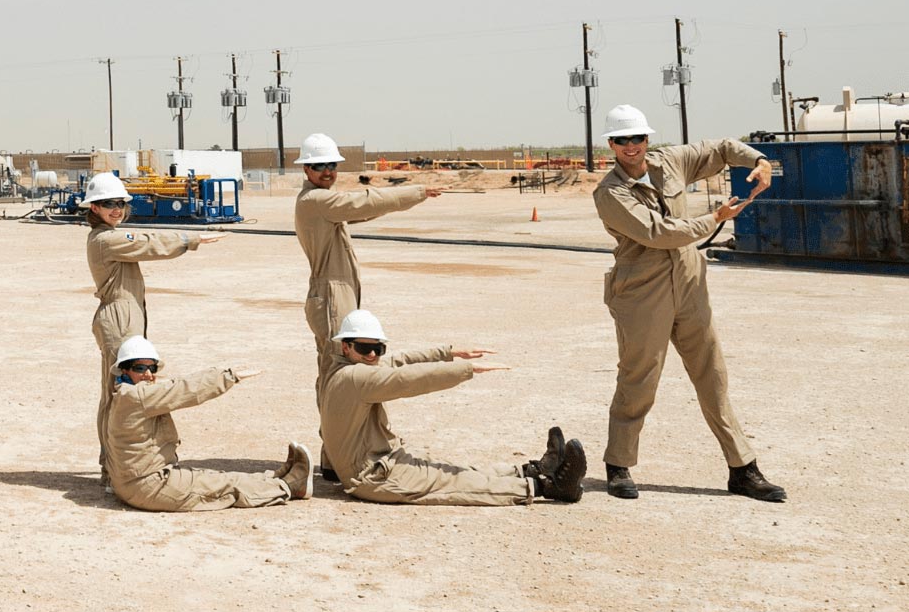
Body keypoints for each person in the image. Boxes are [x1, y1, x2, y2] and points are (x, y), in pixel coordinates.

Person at [591, 104, 785, 502]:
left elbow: (723, 148)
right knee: (639, 377)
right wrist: (715, 218)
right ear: (610, 144)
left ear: (649, 139)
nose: (632, 147)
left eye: (638, 138)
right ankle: (619, 465)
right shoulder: (609, 192)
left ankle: (743, 469)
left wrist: (761, 160)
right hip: (642, 291)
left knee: (712, 375)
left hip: (690, 283)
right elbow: (658, 233)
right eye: (622, 140)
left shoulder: (672, 162)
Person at [292, 132, 441, 480]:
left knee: (340, 371)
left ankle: (337, 451)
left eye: (331, 165)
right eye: (318, 166)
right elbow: (363, 203)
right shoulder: (315, 200)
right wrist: (415, 193)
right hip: (331, 294)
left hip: (335, 291)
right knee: (340, 372)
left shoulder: (322, 200)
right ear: (306, 170)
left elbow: (361, 211)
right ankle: (338, 453)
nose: (327, 171)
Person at [319, 310, 585, 506]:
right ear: (346, 346)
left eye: (378, 348)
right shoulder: (355, 378)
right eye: (366, 348)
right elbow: (407, 379)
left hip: (383, 461)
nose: (373, 355)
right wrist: (464, 370)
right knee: (455, 483)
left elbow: (399, 363)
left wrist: (447, 353)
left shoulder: (348, 368)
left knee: (454, 470)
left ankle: (530, 470)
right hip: (370, 477)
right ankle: (547, 486)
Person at [82, 171, 226, 488]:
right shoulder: (106, 239)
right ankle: (112, 468)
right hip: (119, 317)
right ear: (94, 208)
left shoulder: (111, 235)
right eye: (108, 204)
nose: (116, 209)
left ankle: (118, 464)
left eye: (120, 203)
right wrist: (190, 239)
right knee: (117, 395)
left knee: (124, 393)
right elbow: (149, 243)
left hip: (127, 314)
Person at [103, 336, 311, 511]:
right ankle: (290, 487)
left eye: (152, 367)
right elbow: (183, 390)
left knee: (217, 477)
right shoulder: (136, 397)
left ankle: (275, 477)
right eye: (140, 368)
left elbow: (171, 386)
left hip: (137, 481)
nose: (148, 374)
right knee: (225, 487)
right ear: (124, 370)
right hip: (147, 485)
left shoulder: (127, 393)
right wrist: (228, 377)